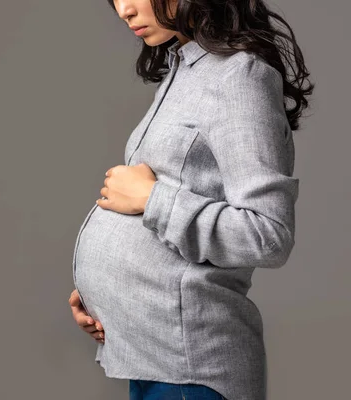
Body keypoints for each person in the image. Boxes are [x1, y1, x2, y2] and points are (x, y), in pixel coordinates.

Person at [68, 0, 314, 399]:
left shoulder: (240, 76)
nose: (123, 10)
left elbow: (268, 234)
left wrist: (152, 199)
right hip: (156, 357)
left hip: (193, 369)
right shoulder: (183, 69)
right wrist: (107, 297)